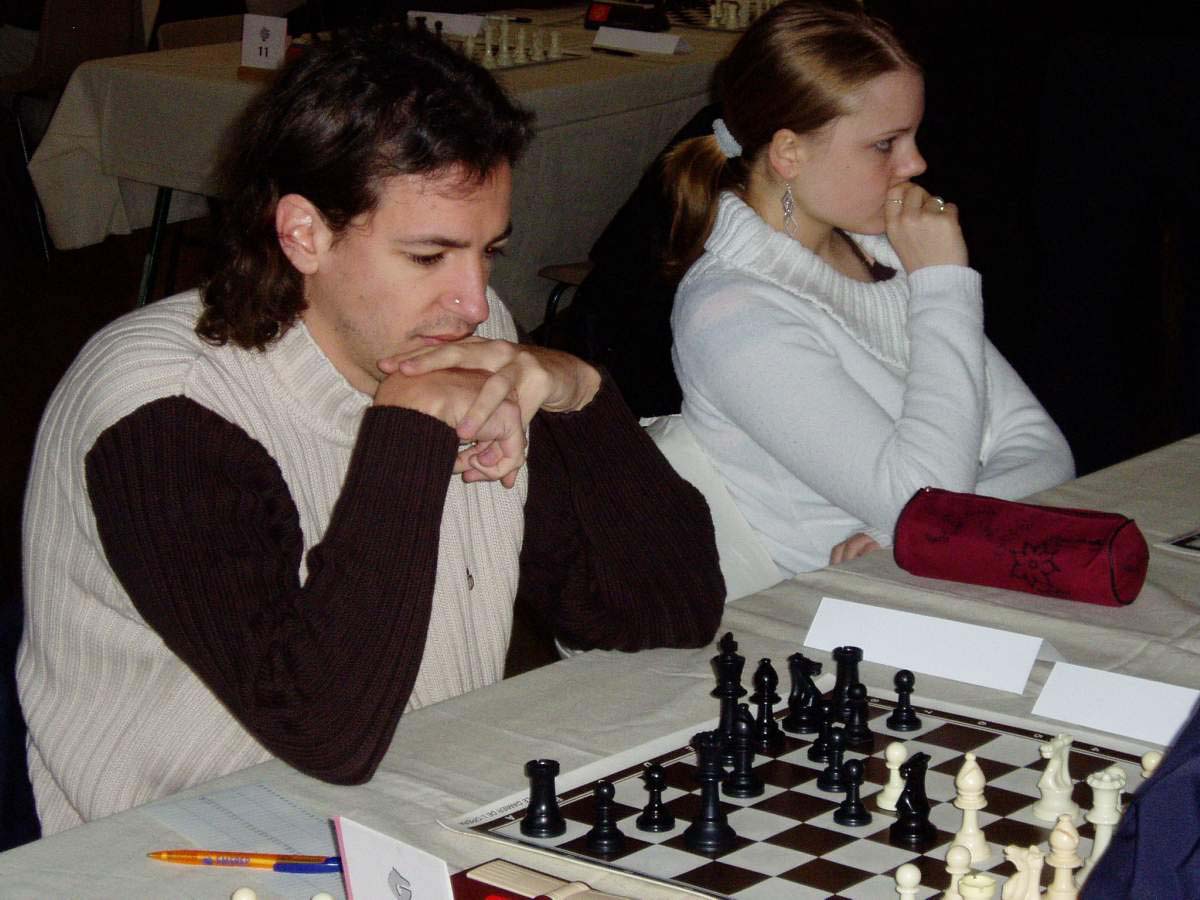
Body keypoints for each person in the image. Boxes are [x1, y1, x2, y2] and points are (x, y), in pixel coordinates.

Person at [18, 26, 724, 835]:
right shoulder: (166, 412)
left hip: (414, 810)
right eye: (428, 257)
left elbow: (666, 618)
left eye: (489, 252)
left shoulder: (463, 336)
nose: (473, 301)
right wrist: (407, 431)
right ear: (304, 234)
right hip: (180, 848)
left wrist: (581, 394)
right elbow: (326, 731)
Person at [664, 0, 1073, 577]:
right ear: (789, 153)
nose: (915, 163)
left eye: (913, 137)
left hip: (946, 572)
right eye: (886, 144)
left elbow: (1045, 449)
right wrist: (943, 285)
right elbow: (925, 497)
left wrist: (907, 528)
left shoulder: (881, 251)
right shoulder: (732, 314)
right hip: (832, 611)